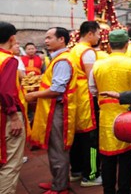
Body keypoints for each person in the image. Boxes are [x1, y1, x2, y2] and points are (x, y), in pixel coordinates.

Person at [89, 29, 131, 194]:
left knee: (107, 157)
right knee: (127, 156)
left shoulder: (98, 65)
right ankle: (124, 189)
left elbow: (92, 90)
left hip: (106, 115)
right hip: (127, 115)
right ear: (127, 44)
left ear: (109, 45)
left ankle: (108, 190)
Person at [26, 27, 77, 194]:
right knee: (55, 147)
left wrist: (34, 95)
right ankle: (59, 181)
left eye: (49, 38)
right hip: (54, 109)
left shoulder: (62, 60)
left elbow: (57, 89)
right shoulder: (59, 58)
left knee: (58, 149)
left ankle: (60, 187)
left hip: (58, 110)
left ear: (61, 39)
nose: (46, 41)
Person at [69, 20, 102, 187]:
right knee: (91, 139)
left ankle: (76, 170)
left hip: (75, 97)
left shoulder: (74, 49)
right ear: (89, 33)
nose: (99, 37)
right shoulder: (88, 52)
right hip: (87, 99)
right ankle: (91, 174)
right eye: (97, 34)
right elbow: (92, 78)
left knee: (77, 136)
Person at [0, 22, 26, 194]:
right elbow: (5, 91)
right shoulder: (8, 60)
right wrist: (14, 117)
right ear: (11, 38)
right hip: (5, 116)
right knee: (10, 163)